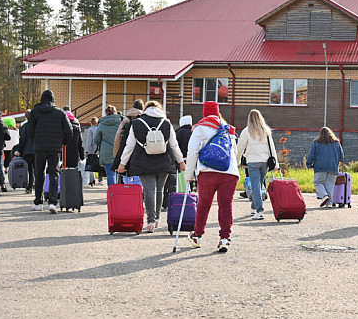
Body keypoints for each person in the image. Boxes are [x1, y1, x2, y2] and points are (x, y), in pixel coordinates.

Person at [118, 101, 185, 233]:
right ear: (160, 109)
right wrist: (181, 161)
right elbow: (174, 144)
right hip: (164, 161)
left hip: (143, 162)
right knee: (160, 190)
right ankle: (158, 219)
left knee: (149, 190)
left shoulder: (137, 123)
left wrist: (122, 163)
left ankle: (150, 221)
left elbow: (129, 145)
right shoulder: (166, 123)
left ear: (145, 109)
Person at [185, 101, 239, 252]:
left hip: (208, 171)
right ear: (218, 112)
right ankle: (224, 238)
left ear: (204, 112)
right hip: (229, 172)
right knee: (225, 205)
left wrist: (189, 175)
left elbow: (192, 152)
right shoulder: (228, 128)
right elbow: (233, 153)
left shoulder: (199, 128)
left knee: (203, 204)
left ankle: (197, 236)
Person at [27, 90, 72, 213]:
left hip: (39, 147)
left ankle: (38, 202)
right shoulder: (60, 113)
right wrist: (63, 142)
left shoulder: (34, 112)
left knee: (39, 174)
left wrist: (35, 141)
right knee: (53, 174)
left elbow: (29, 130)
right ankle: (52, 203)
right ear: (53, 99)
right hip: (55, 148)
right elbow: (69, 130)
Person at [236, 109, 278, 220]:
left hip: (253, 162)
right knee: (258, 186)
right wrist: (276, 163)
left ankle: (259, 211)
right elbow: (272, 148)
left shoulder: (246, 131)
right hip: (265, 162)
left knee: (255, 187)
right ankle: (253, 208)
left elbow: (240, 147)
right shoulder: (266, 130)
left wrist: (236, 161)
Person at [306, 126, 344, 208]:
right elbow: (341, 155)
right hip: (333, 167)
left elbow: (311, 155)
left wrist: (309, 164)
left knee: (317, 182)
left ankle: (324, 196)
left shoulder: (316, 143)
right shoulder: (336, 143)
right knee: (329, 185)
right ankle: (329, 203)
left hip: (320, 167)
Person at [111, 100, 144, 175]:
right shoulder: (143, 120)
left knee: (125, 177)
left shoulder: (125, 121)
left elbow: (117, 137)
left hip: (124, 149)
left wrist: (116, 153)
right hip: (140, 151)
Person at [94, 105, 122, 186]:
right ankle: (119, 192)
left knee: (110, 174)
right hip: (119, 152)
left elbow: (96, 140)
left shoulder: (101, 124)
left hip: (106, 152)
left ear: (106, 113)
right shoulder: (120, 123)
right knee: (119, 174)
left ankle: (112, 193)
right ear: (115, 112)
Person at [13, 110, 35, 194]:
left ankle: (29, 186)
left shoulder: (25, 126)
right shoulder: (37, 125)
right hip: (38, 151)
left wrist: (19, 150)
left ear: (26, 117)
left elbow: (23, 139)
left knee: (30, 170)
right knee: (38, 170)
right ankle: (38, 187)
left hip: (28, 151)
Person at [84, 117, 100, 185]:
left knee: (90, 165)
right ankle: (99, 179)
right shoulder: (99, 129)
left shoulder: (90, 129)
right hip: (98, 148)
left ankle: (91, 180)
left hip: (91, 149)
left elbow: (89, 141)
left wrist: (87, 151)